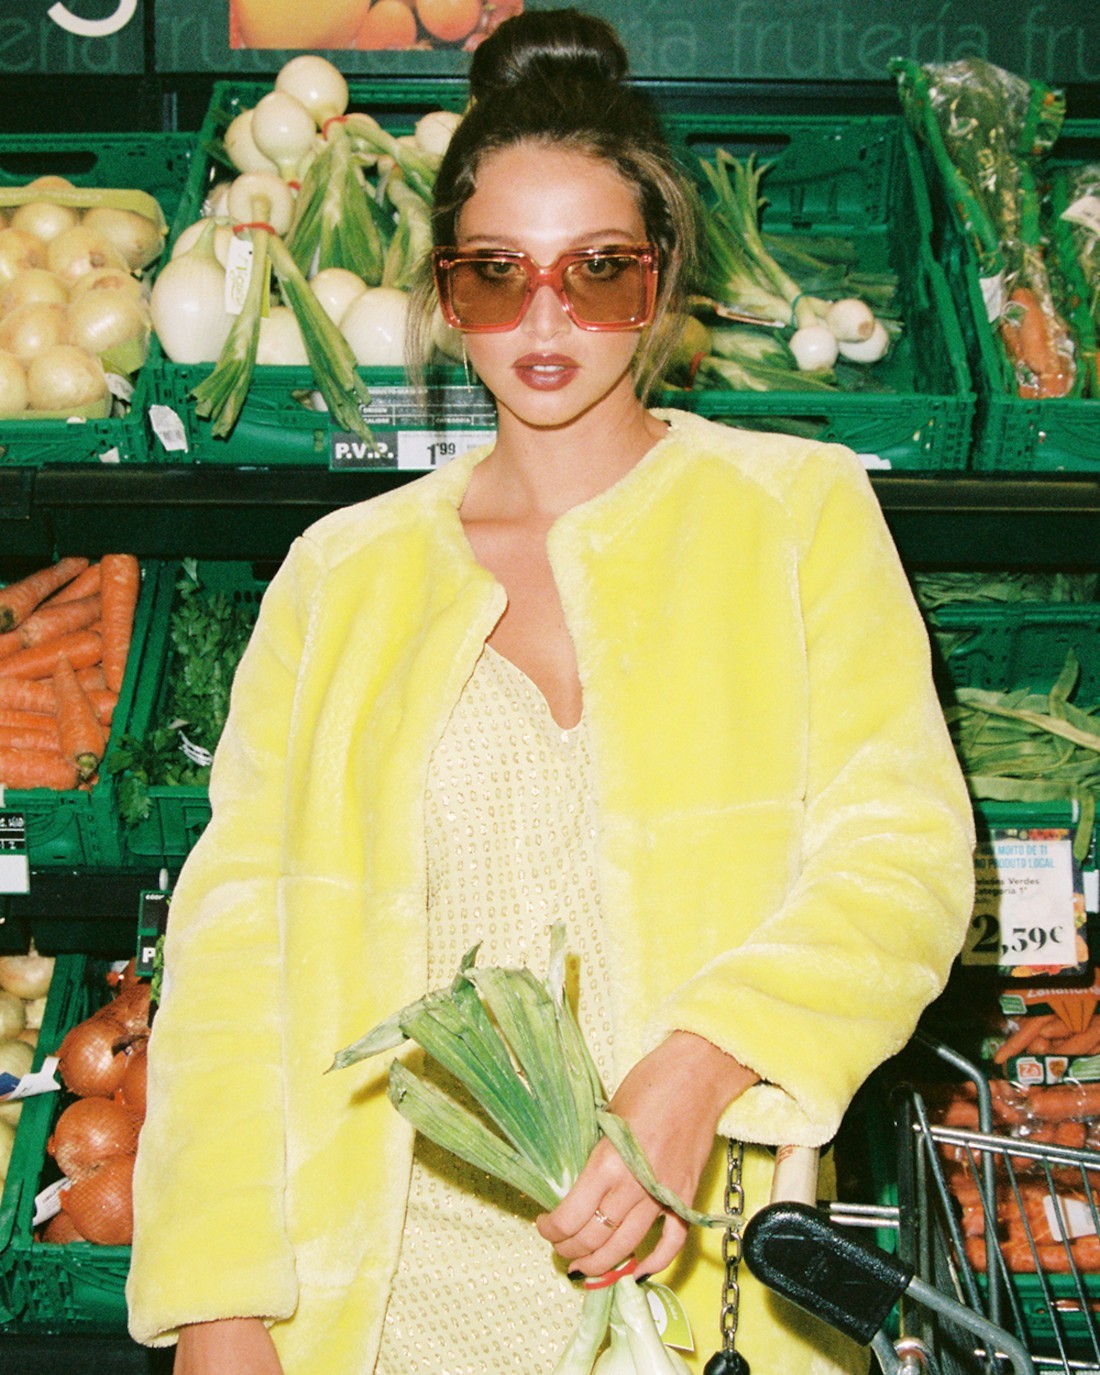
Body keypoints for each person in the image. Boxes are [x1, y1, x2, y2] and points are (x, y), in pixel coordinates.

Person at [127, 10, 976, 1374]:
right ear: (443, 291)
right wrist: (220, 1304)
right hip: (383, 1311)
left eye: (598, 271)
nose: (544, 320)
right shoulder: (341, 577)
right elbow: (234, 960)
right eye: (495, 275)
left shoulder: (794, 516)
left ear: (663, 278)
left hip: (700, 1290)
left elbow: (903, 859)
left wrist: (703, 1064)